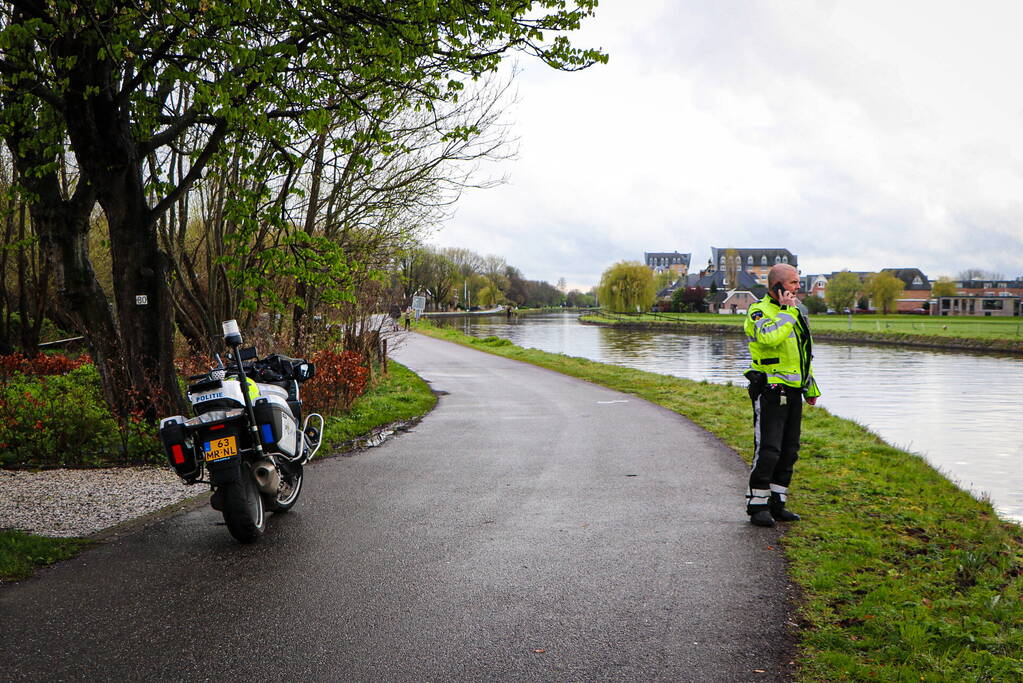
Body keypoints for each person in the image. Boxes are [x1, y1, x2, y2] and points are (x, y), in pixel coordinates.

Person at [743, 263, 820, 527]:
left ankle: (778, 502)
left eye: (798, 283)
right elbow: (769, 338)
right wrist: (787, 311)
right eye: (793, 283)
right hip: (770, 391)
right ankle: (757, 505)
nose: (798, 287)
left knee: (790, 449)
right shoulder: (757, 311)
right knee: (769, 449)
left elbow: (802, 353)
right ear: (777, 286)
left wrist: (810, 387)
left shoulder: (798, 312)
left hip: (795, 390)